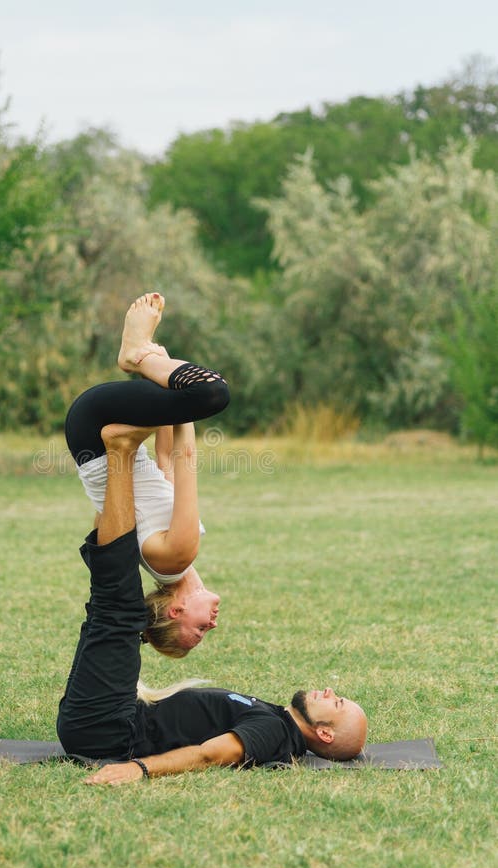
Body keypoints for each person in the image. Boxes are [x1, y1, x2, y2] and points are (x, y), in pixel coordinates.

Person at [56, 423, 368, 786]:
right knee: (112, 608)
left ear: (325, 734)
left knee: (117, 611)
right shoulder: (276, 717)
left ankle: (119, 454)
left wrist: (138, 769)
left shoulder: (275, 734)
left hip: (110, 730)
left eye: (338, 703)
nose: (330, 692)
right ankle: (118, 455)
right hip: (108, 720)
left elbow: (212, 755)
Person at [64, 292, 229, 657]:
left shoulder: (177, 556)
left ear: (176, 610)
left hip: (97, 429)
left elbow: (186, 456)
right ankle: (145, 359)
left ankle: (136, 354)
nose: (213, 623)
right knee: (193, 391)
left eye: (200, 628)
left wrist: (171, 378)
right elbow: (167, 458)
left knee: (211, 392)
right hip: (87, 433)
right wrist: (167, 377)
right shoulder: (163, 562)